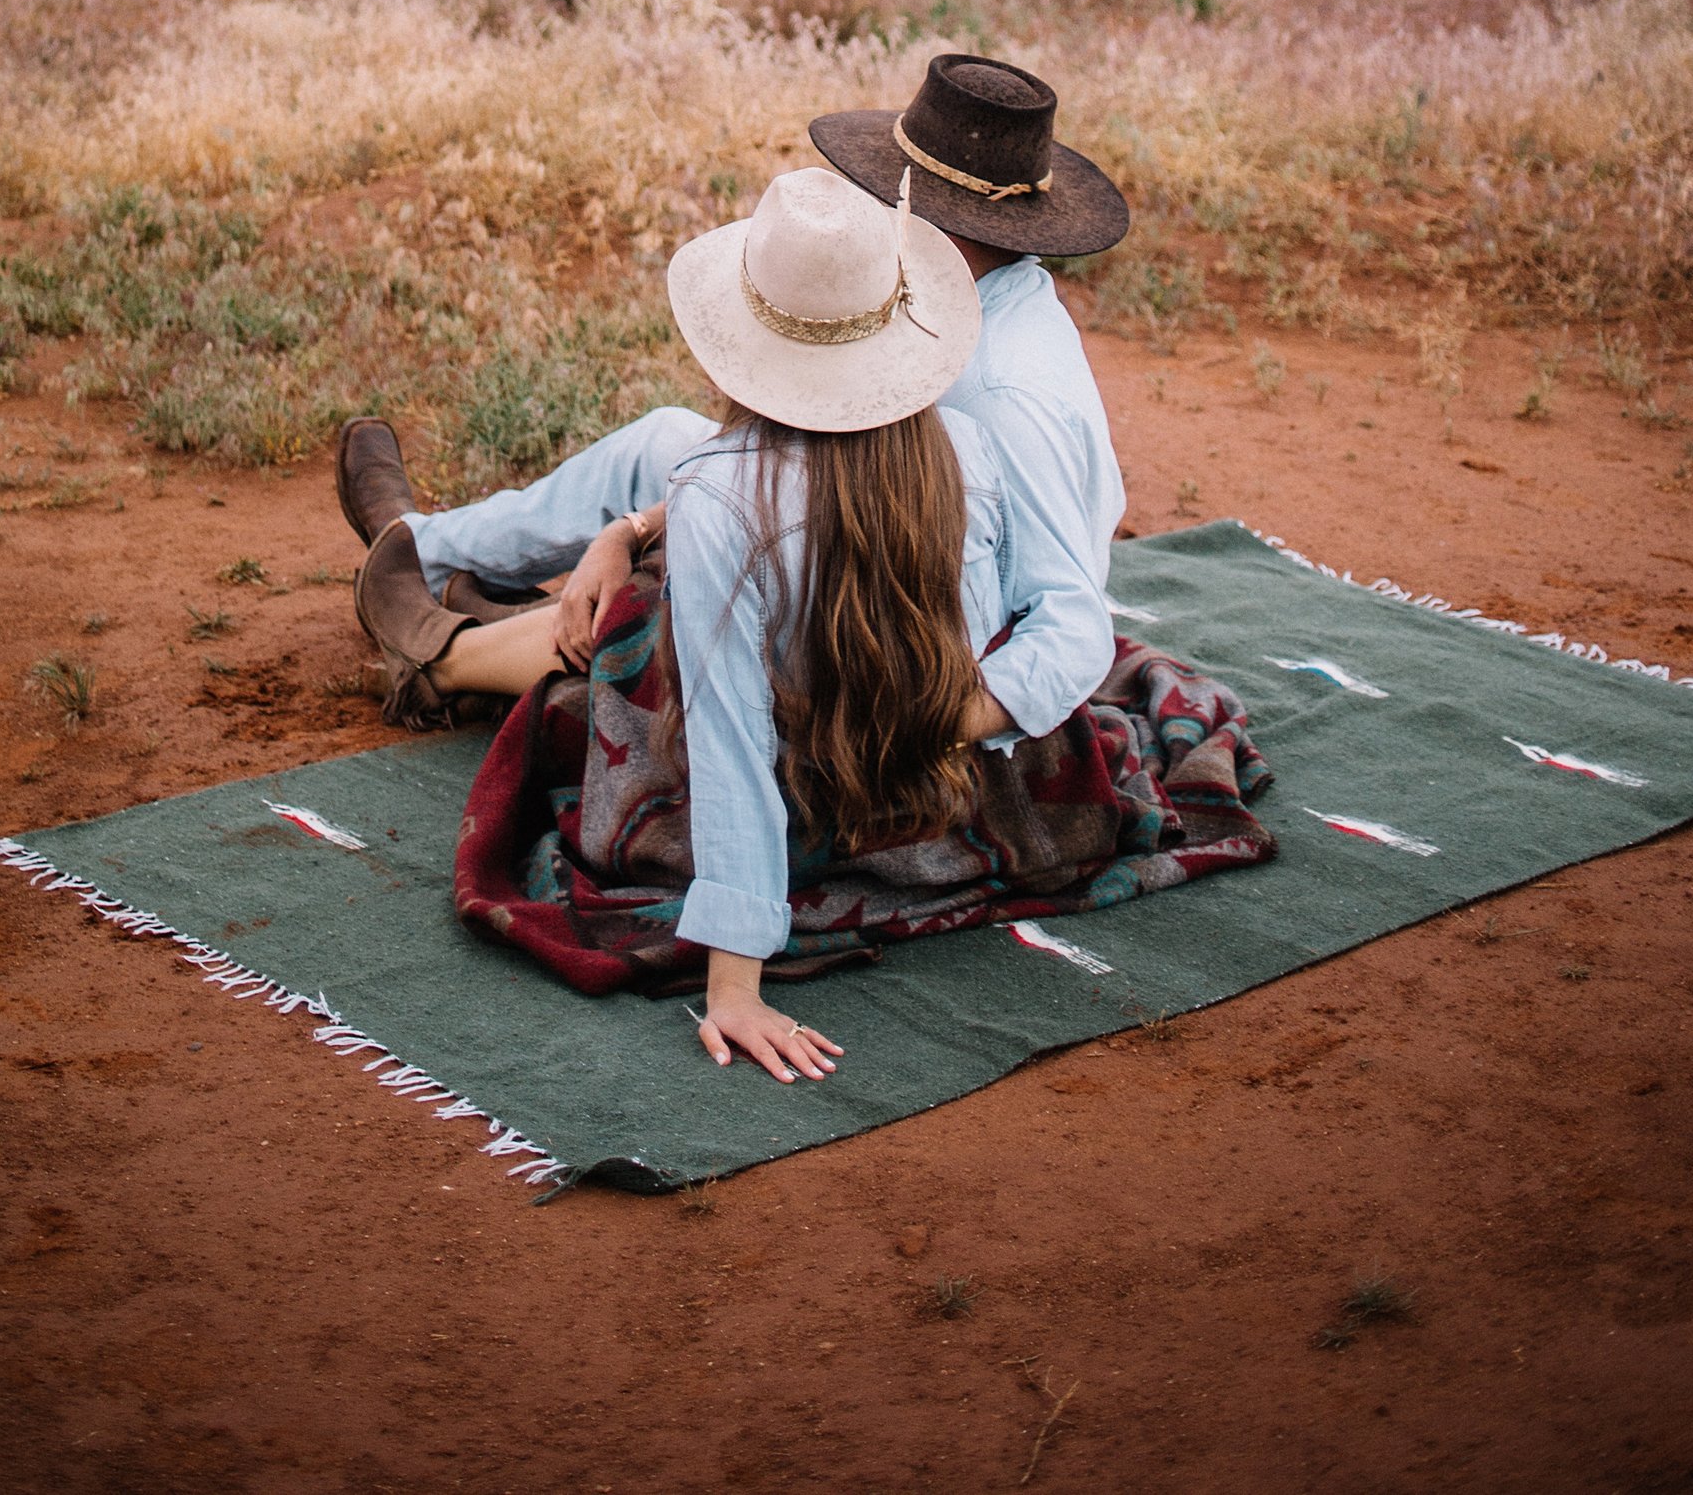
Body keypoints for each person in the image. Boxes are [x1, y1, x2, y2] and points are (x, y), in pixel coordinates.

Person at [422, 163, 1275, 1072]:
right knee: (661, 582)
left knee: (621, 644)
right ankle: (442, 630)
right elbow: (1033, 633)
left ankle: (437, 654)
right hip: (953, 787)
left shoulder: (719, 499)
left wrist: (734, 987)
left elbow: (732, 738)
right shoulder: (965, 446)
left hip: (816, 791)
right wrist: (931, 718)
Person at [340, 54, 1129, 755]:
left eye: (886, 189)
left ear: (938, 217)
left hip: (912, 633)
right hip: (870, 543)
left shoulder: (1002, 394)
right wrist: (634, 527)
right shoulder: (965, 297)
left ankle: (444, 646)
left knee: (697, 575)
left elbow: (1068, 618)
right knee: (669, 443)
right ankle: (423, 548)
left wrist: (917, 726)